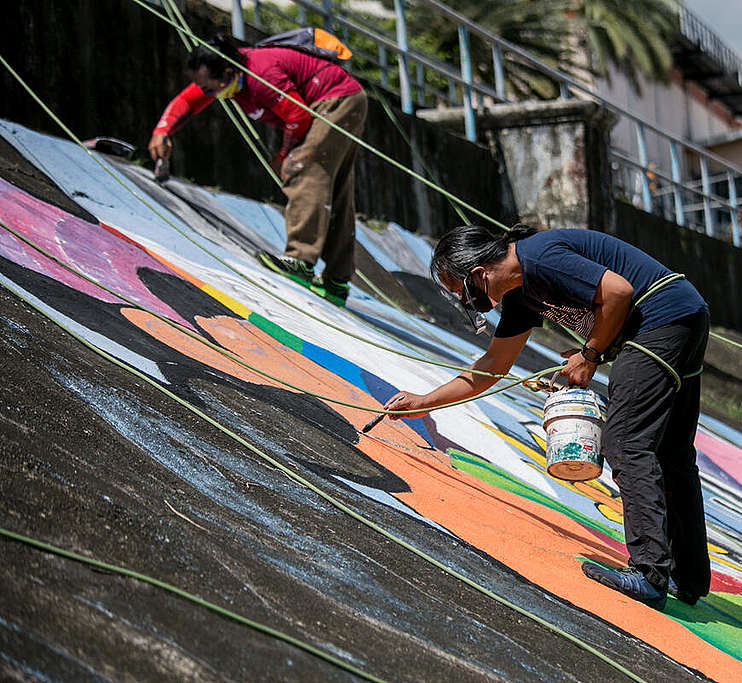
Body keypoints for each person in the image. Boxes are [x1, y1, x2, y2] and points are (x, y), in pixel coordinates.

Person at [384, 224, 712, 610]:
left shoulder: (537, 257)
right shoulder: (520, 294)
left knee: (624, 442)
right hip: (685, 314)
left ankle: (650, 574)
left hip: (661, 320)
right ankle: (687, 577)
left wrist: (589, 356)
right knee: (672, 453)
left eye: (463, 294)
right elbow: (493, 366)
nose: (468, 303)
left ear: (477, 275)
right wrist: (425, 401)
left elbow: (619, 292)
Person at [148, 33, 366, 306]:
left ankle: (300, 259)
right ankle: (336, 280)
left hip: (336, 100)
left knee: (305, 168)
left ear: (227, 73)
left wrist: (285, 155)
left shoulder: (261, 75)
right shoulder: (222, 77)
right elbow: (188, 100)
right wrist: (163, 130)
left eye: (210, 88)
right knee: (334, 188)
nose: (208, 94)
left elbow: (298, 116)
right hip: (345, 99)